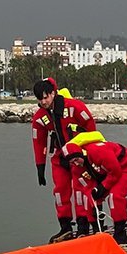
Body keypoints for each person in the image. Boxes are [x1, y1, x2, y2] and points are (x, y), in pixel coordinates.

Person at [31, 78, 97, 242]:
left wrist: (90, 153)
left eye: (46, 97)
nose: (43, 102)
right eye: (40, 99)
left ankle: (83, 226)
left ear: (53, 93)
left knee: (80, 191)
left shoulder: (74, 107)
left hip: (79, 155)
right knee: (60, 192)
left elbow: (90, 127)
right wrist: (40, 167)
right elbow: (39, 142)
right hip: (59, 157)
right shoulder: (40, 117)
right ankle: (65, 227)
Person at [61, 133, 127, 244]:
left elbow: (115, 172)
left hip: (126, 166)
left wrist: (103, 186)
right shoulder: (77, 169)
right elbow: (87, 189)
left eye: (76, 159)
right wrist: (94, 203)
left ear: (81, 154)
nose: (76, 163)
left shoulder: (98, 152)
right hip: (106, 172)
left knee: (114, 196)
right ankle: (97, 230)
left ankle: (120, 234)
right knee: (90, 198)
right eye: (72, 162)